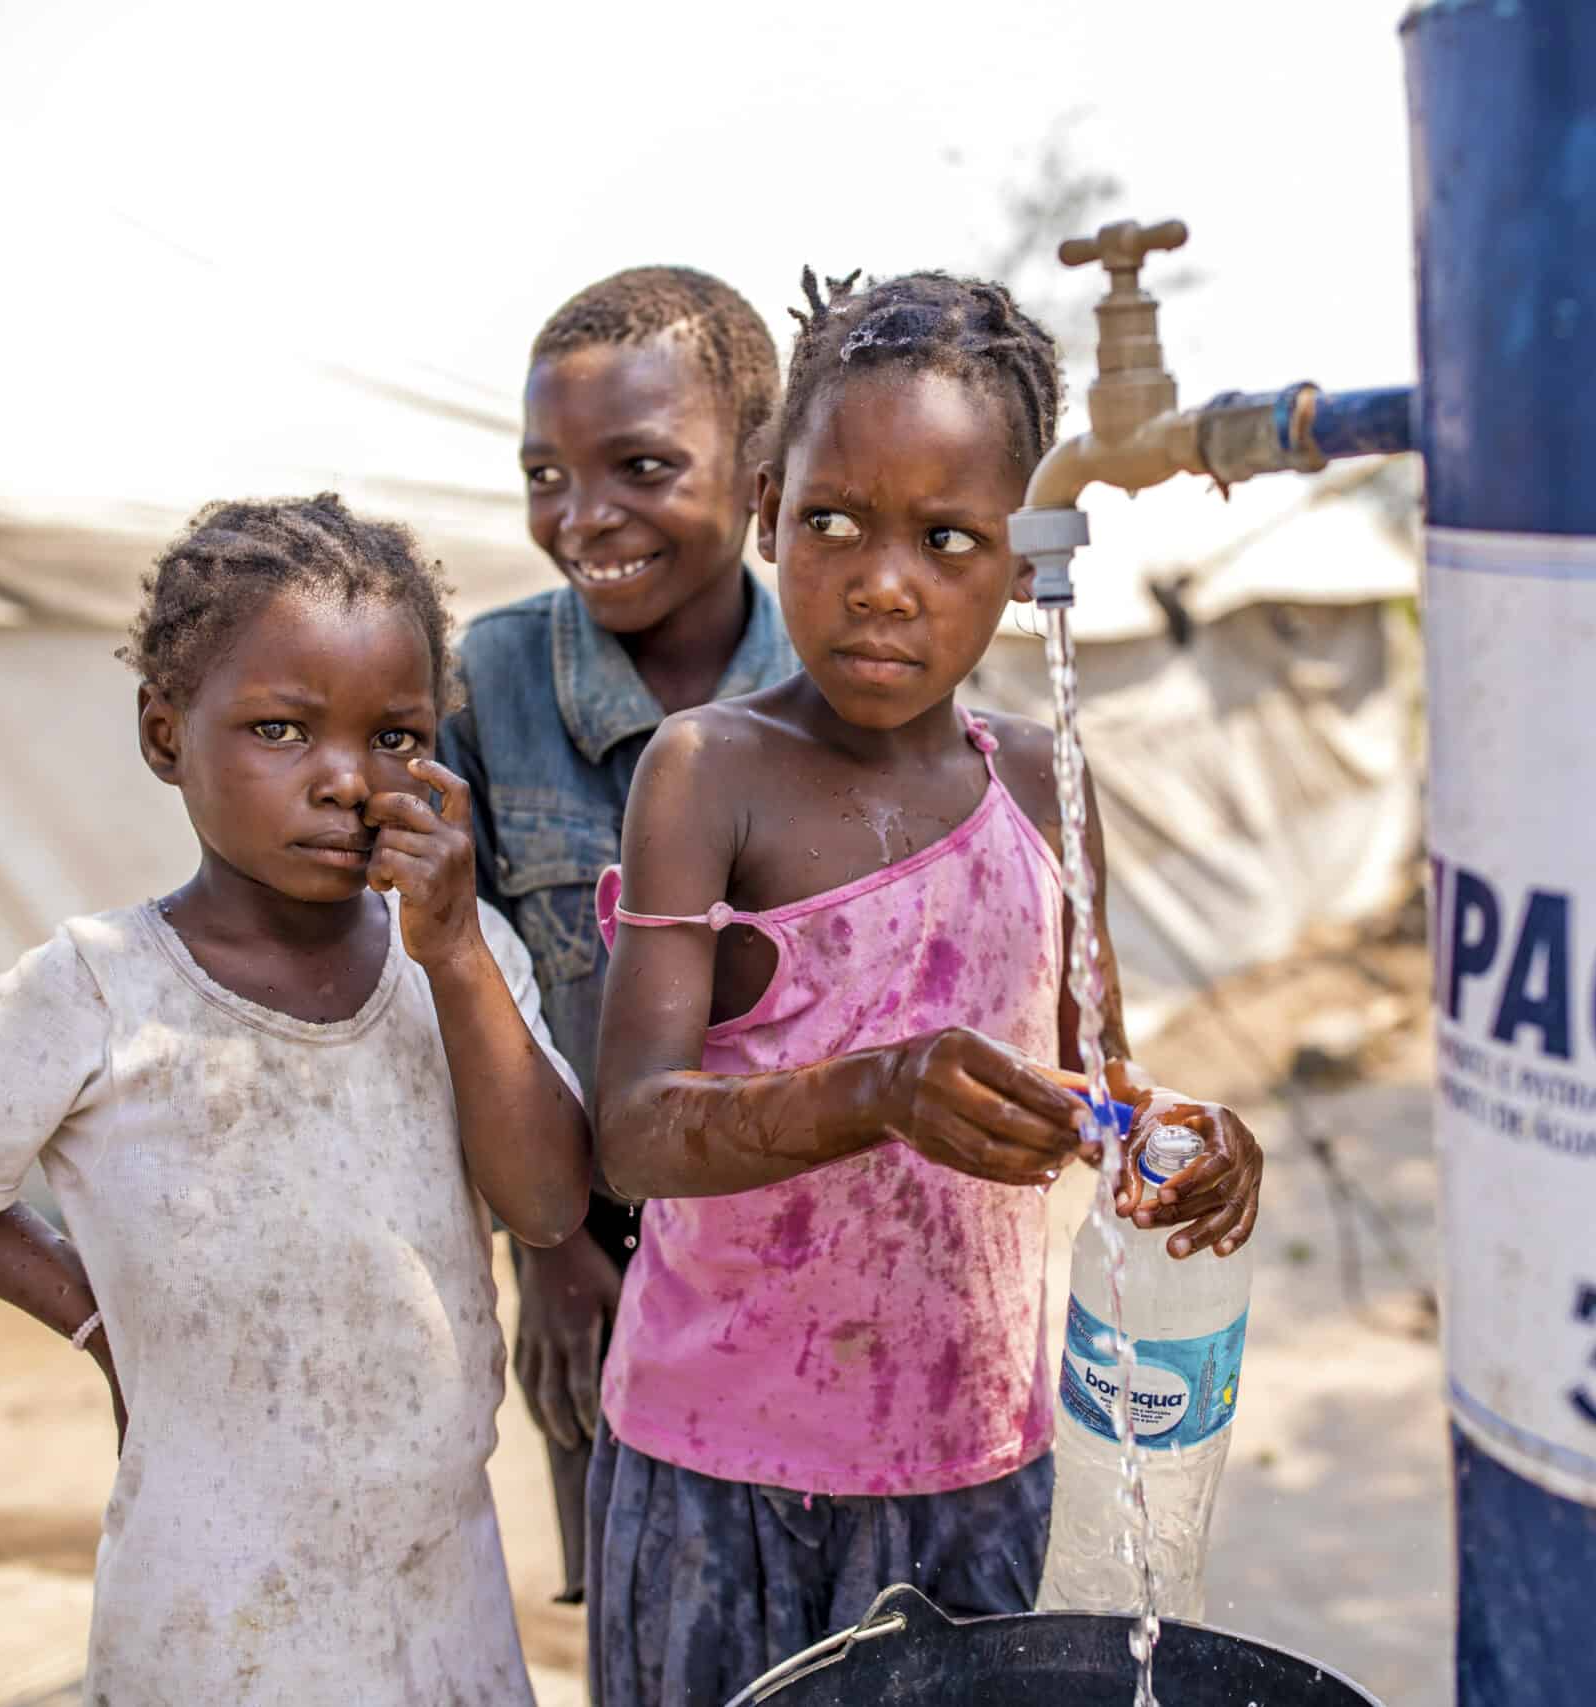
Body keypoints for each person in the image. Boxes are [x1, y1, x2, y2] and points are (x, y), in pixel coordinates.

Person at [586, 269, 1267, 1707]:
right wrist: (876, 1089)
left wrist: (1185, 1141)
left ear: (1024, 561)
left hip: (975, 1461)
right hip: (727, 1474)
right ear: (769, 506)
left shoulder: (1037, 776)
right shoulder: (710, 771)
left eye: (948, 537)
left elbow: (1100, 1083)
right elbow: (636, 1130)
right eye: (833, 519)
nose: (881, 577)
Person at [0, 494, 591, 1704]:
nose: (348, 781)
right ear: (164, 735)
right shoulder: (100, 987)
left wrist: (454, 954)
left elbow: (550, 1203)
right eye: (280, 730)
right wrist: (97, 1326)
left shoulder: (461, 961)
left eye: (396, 737)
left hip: (438, 1599)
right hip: (212, 1619)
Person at [441, 264, 797, 1603]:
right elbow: (452, 985)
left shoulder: (854, 675)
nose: (583, 519)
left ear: (758, 465)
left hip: (819, 1258)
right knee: (650, 1631)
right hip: (598, 1259)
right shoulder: (489, 685)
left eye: (640, 465)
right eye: (546, 473)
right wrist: (548, 1251)